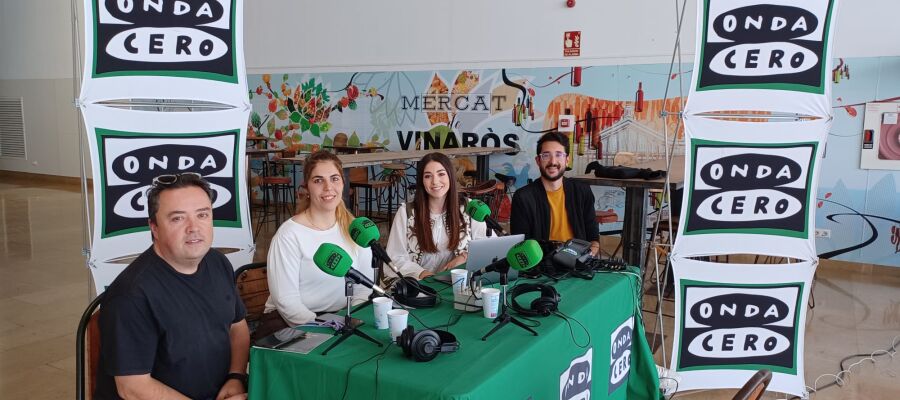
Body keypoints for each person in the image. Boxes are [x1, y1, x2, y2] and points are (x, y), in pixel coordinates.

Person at [96, 172, 249, 400]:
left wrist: (235, 376)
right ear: (154, 228)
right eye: (178, 218)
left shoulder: (218, 263)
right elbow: (132, 388)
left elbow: (238, 328)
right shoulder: (131, 295)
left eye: (202, 215)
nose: (193, 227)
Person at [260, 151, 374, 338]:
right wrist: (325, 327)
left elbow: (363, 289)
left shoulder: (355, 230)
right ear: (307, 187)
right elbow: (287, 302)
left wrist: (350, 319)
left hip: (341, 320)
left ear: (343, 183)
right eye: (318, 180)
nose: (328, 187)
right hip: (293, 324)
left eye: (335, 179)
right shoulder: (289, 235)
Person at [386, 152, 487, 280]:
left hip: (459, 284)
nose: (435, 181)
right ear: (422, 181)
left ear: (450, 176)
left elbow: (486, 248)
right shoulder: (406, 212)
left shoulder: (470, 208)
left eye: (441, 174)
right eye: (428, 176)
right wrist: (421, 273)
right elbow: (394, 258)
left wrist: (464, 257)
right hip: (418, 287)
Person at [510, 132, 600, 255]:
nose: (553, 161)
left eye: (559, 155)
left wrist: (588, 256)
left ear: (567, 160)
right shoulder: (523, 197)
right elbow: (521, 244)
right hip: (541, 264)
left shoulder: (582, 192)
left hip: (578, 261)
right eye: (546, 155)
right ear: (538, 160)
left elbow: (593, 237)